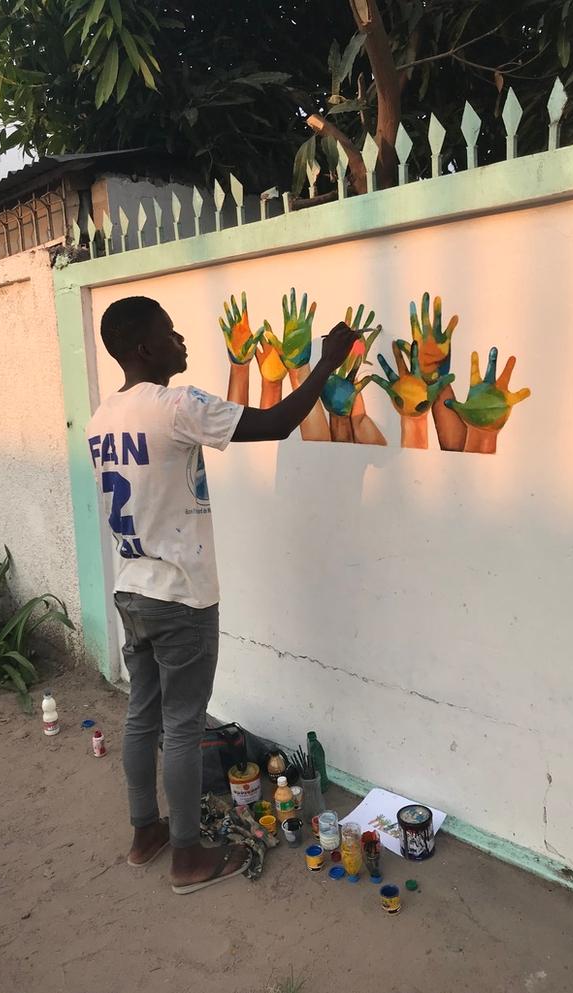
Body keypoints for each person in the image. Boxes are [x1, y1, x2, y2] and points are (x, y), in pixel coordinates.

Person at [86, 295, 356, 894]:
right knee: (182, 726)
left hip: (132, 589)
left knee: (143, 714)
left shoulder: (103, 417)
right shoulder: (178, 407)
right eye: (171, 332)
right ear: (143, 349)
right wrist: (327, 361)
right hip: (181, 596)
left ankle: (144, 833)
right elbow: (277, 422)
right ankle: (186, 856)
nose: (182, 341)